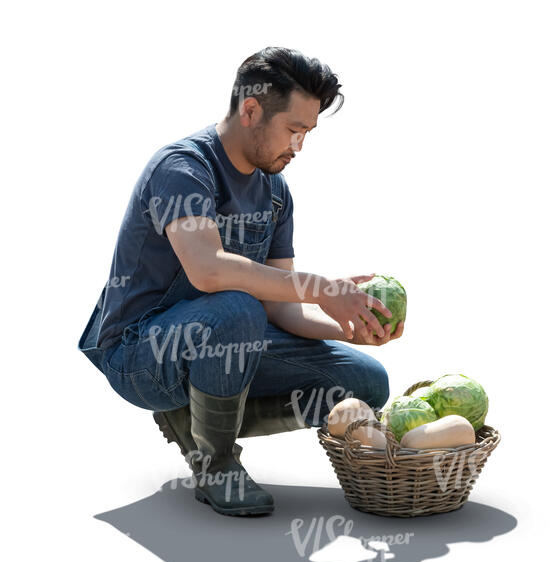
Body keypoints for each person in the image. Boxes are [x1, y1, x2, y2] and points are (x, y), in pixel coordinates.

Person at [78, 46, 404, 518]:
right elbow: (208, 270)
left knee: (364, 382)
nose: (299, 147)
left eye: (307, 133)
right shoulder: (183, 168)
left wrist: (349, 330)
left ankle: (195, 420)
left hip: (231, 338)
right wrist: (323, 288)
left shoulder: (275, 194)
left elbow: (280, 308)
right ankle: (216, 462)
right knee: (235, 305)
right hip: (139, 353)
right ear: (251, 110)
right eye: (293, 130)